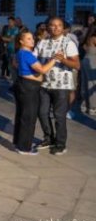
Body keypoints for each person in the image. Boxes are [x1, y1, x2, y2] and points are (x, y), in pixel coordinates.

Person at [35, 17, 80, 155]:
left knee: (59, 115)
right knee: (42, 113)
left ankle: (60, 144)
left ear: (62, 27)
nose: (55, 28)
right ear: (48, 27)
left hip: (62, 86)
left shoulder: (68, 43)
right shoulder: (42, 42)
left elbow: (77, 65)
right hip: (44, 84)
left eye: (59, 25)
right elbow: (34, 58)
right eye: (52, 25)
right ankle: (49, 138)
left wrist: (63, 60)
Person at [13, 31, 57, 155]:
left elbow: (15, 64)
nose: (32, 40)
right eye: (28, 39)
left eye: (32, 38)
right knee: (29, 117)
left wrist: (27, 74)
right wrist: (54, 59)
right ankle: (24, 147)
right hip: (29, 88)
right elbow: (42, 69)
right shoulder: (27, 54)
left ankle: (18, 143)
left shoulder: (20, 53)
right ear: (21, 41)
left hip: (23, 84)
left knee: (22, 115)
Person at [80, 30, 96, 115]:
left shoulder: (87, 37)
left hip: (86, 59)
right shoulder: (94, 38)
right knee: (92, 84)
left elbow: (84, 47)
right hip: (92, 61)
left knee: (85, 83)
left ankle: (85, 106)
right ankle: (93, 107)